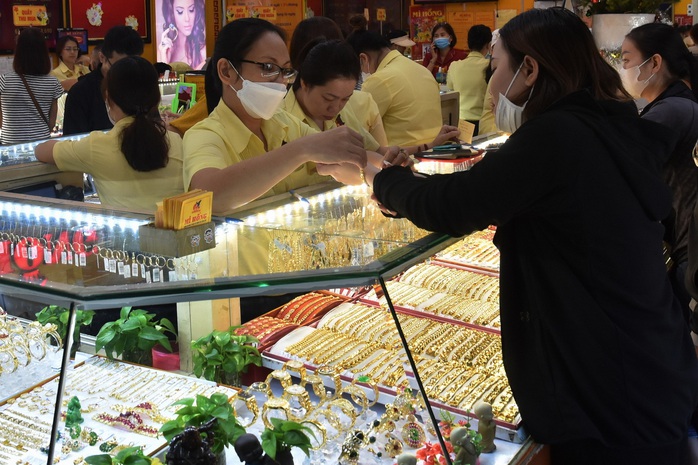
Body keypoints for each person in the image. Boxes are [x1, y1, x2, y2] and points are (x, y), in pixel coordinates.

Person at [335, 8, 698, 464]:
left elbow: (453, 206)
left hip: (611, 399)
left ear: (529, 69)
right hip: (644, 373)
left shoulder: (557, 135)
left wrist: (379, 177)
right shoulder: (604, 122)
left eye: (495, 67)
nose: (490, 85)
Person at [183, 18, 366, 215]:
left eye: (285, 71)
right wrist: (301, 151)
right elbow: (208, 197)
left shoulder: (283, 123)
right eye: (268, 68)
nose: (280, 82)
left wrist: (371, 169)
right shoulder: (204, 135)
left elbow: (349, 164)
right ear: (226, 71)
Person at [34, 56, 184, 211]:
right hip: (175, 227)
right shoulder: (176, 141)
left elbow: (41, 151)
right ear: (156, 99)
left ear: (108, 98)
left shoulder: (96, 146)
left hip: (123, 228)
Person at [621, 23, 698, 321]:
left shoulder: (669, 111)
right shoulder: (678, 103)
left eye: (626, 59)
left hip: (686, 248)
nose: (623, 69)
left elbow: (625, 169)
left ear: (654, 62)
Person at [286, 39, 459, 161]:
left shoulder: (345, 114)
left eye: (345, 99)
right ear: (305, 83)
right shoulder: (281, 119)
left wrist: (431, 145)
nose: (336, 108)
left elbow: (377, 151)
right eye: (328, 98)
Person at [346, 28, 442, 148]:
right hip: (437, 150)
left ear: (363, 59)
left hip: (403, 156)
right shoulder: (422, 70)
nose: (362, 72)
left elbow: (357, 131)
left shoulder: (379, 80)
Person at [63, 26, 143, 135]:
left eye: (131, 67)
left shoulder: (142, 84)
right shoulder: (81, 92)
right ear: (102, 57)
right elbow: (73, 139)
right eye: (118, 68)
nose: (125, 75)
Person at [0, 28, 63, 145]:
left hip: (10, 144)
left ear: (18, 52)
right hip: (41, 143)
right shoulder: (53, 82)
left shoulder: (4, 80)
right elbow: (51, 123)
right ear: (44, 53)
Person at [446, 25, 492, 135]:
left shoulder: (454, 66)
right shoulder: (489, 66)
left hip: (460, 124)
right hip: (482, 123)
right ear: (488, 45)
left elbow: (450, 92)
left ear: (468, 43)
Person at [158, 0, 206, 69]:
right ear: (171, 14)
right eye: (180, 12)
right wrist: (164, 61)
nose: (187, 19)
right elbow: (162, 75)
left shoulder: (202, 52)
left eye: (191, 10)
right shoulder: (162, 51)